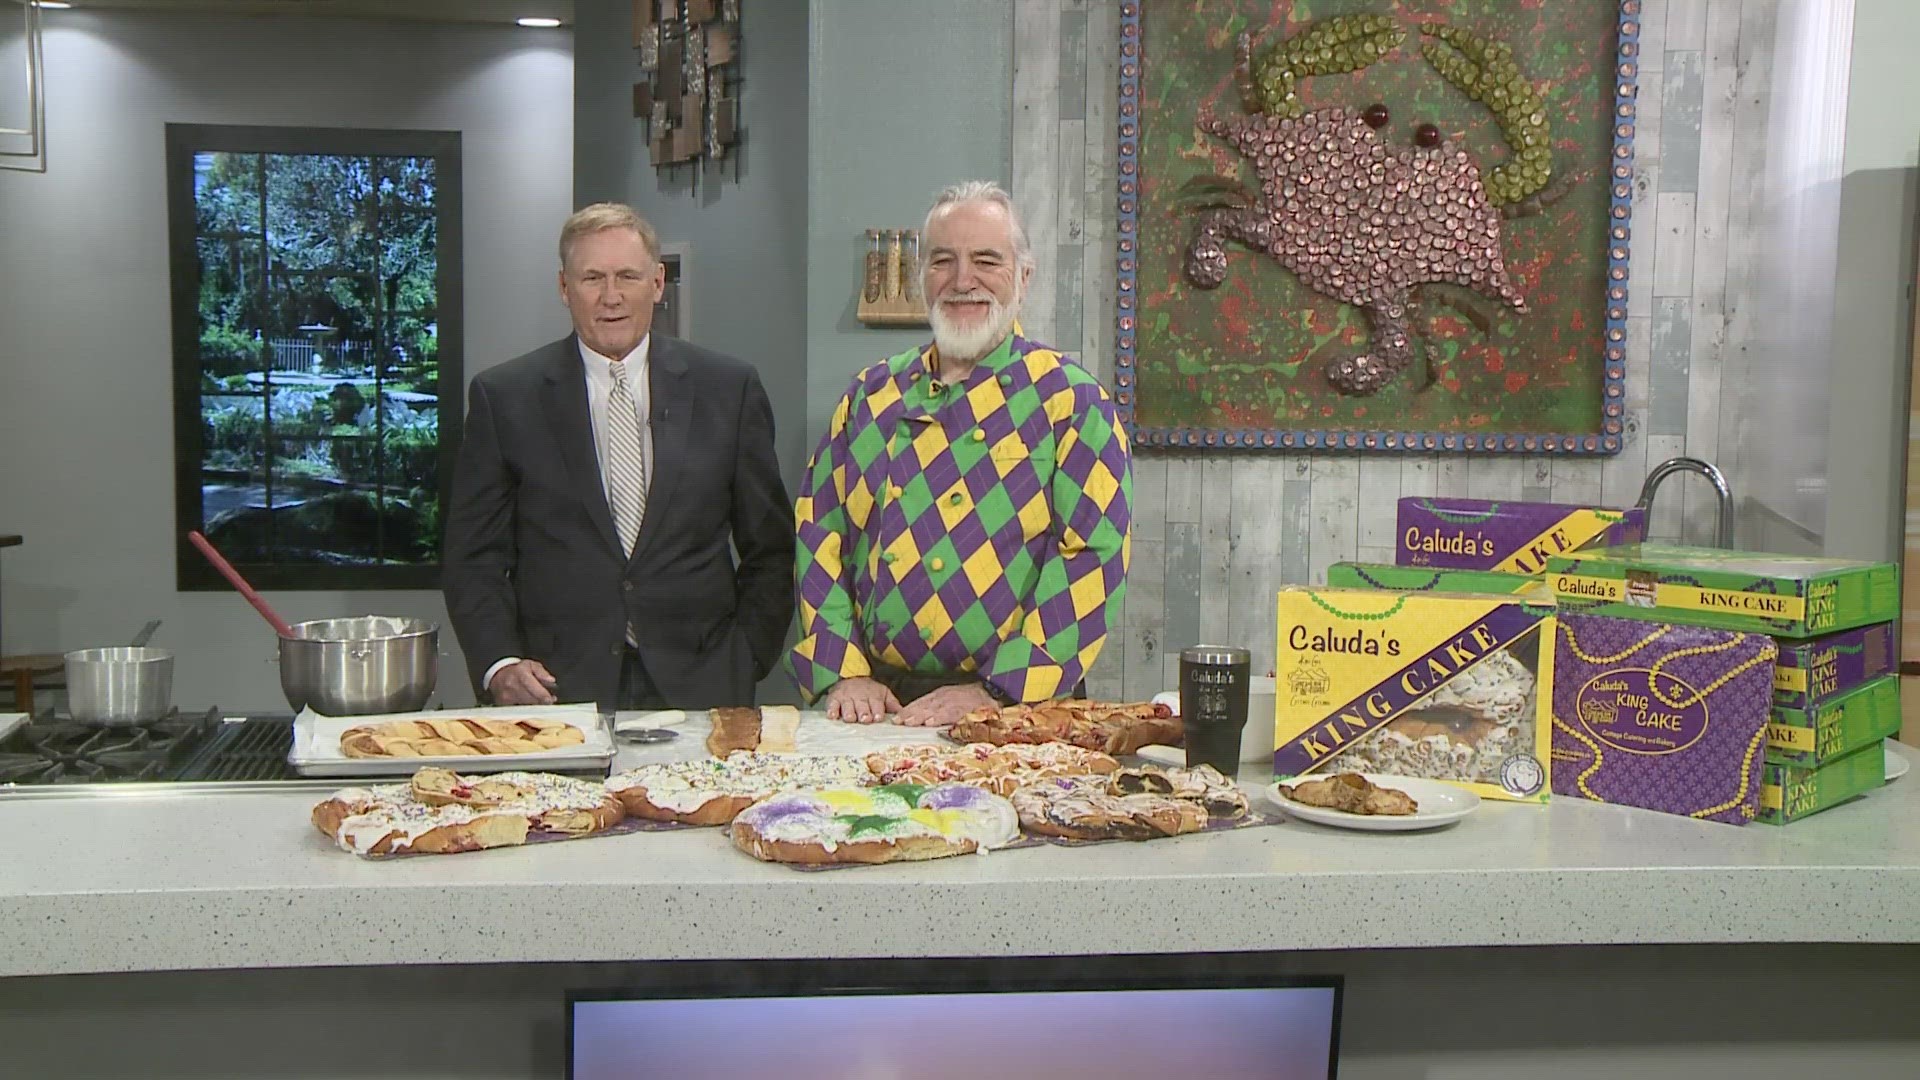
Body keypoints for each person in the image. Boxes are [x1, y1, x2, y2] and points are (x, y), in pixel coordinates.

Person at [789, 180, 1133, 728]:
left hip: (1016, 708)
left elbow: (1091, 559)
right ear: (922, 276)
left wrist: (997, 692)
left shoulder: (1072, 401)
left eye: (986, 260)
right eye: (943, 261)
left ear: (1024, 277)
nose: (962, 281)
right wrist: (843, 670)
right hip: (877, 702)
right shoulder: (869, 396)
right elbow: (819, 534)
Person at [443, 203, 793, 711]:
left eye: (628, 276)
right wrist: (500, 663)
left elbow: (771, 548)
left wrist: (745, 658)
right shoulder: (505, 397)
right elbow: (473, 556)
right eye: (592, 278)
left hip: (702, 687)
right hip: (556, 692)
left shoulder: (729, 389)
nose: (611, 297)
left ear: (657, 282)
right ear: (564, 287)